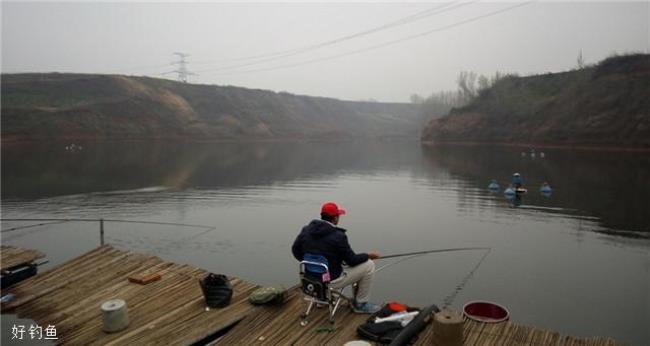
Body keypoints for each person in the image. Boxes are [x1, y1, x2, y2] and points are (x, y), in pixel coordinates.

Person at [292, 202, 381, 314]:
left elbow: (295, 250)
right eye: (338, 216)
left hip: (310, 279)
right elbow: (352, 260)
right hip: (329, 280)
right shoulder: (338, 236)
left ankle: (321, 298)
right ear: (335, 219)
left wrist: (311, 262)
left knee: (333, 265)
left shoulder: (306, 230)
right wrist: (368, 256)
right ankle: (361, 304)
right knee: (369, 265)